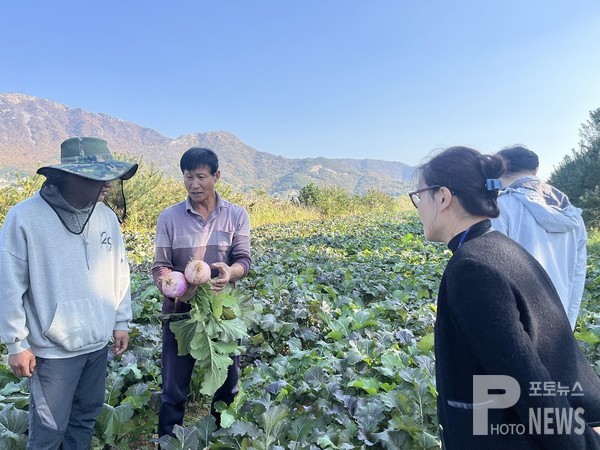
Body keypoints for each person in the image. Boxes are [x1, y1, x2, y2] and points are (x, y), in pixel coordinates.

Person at [408, 146, 600, 449]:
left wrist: (584, 444)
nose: (417, 207)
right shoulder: (503, 248)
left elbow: (524, 381)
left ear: (443, 197)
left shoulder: (471, 268)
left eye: (419, 196)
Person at [0, 137, 138, 449]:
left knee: (85, 418)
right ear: (71, 177)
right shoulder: (24, 217)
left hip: (96, 345)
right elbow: (9, 284)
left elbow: (120, 271)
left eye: (108, 178)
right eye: (98, 177)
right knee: (49, 432)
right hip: (53, 352)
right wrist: (16, 344)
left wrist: (120, 321)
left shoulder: (106, 217)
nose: (106, 185)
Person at [152, 147, 251, 437]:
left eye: (201, 176)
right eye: (188, 177)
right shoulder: (169, 218)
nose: (194, 184)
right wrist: (173, 287)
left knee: (227, 386)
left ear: (216, 176)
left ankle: (222, 440)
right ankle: (169, 442)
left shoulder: (236, 215)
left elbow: (244, 260)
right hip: (179, 314)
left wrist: (230, 273)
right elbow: (160, 267)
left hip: (221, 313)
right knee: (173, 389)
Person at [490, 146, 587, 329]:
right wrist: (568, 325)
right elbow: (578, 275)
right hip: (560, 325)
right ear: (535, 170)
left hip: (519, 323)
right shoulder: (573, 217)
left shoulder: (501, 209)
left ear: (499, 170)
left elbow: (494, 275)